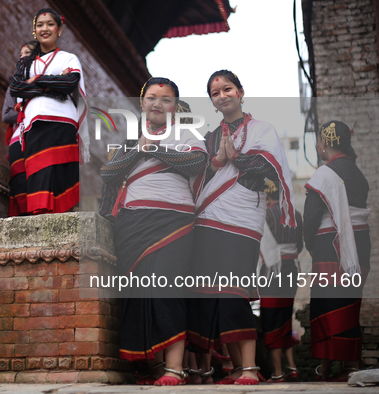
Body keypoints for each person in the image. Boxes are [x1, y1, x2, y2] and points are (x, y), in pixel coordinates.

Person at [186, 70, 296, 386]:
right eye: (215, 92)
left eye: (227, 89)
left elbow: (269, 174)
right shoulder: (208, 137)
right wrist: (218, 161)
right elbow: (200, 176)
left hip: (242, 219)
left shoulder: (263, 130)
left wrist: (238, 158)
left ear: (241, 92)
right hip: (208, 218)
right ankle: (235, 367)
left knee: (233, 290)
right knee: (213, 295)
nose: (222, 95)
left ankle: (250, 368)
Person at [99, 77, 208, 386]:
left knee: (167, 287)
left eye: (166, 99)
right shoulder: (131, 140)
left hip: (173, 220)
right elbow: (108, 172)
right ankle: (153, 367)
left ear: (175, 106)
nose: (158, 104)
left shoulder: (185, 133)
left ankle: (175, 369)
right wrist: (138, 151)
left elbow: (195, 162)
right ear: (142, 103)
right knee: (137, 293)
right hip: (132, 223)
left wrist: (157, 150)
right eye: (152, 98)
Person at [304, 121, 370, 382]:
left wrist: (310, 244)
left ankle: (326, 367)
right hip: (360, 244)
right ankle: (353, 363)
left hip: (330, 244)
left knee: (327, 303)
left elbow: (311, 218)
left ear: (324, 143)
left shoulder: (325, 174)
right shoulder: (357, 173)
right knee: (349, 303)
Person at [9, 8, 88, 215]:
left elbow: (70, 82)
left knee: (59, 172)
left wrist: (37, 81)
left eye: (50, 24)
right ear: (34, 30)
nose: (45, 28)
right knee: (38, 169)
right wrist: (53, 82)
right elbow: (16, 87)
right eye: (40, 25)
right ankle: (40, 217)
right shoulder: (26, 62)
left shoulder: (69, 58)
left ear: (59, 29)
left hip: (63, 122)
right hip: (35, 123)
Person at [258, 180, 302, 382]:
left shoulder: (266, 215)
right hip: (292, 270)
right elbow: (299, 246)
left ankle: (278, 373)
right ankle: (292, 367)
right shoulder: (296, 215)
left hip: (273, 272)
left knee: (271, 321)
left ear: (267, 196)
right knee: (285, 318)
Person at [2, 41, 37, 217]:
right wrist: (25, 112)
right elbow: (6, 115)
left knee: (38, 180)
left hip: (39, 136)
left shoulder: (45, 82)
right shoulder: (13, 87)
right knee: (19, 182)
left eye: (28, 53)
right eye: (21, 54)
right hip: (19, 137)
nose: (23, 57)